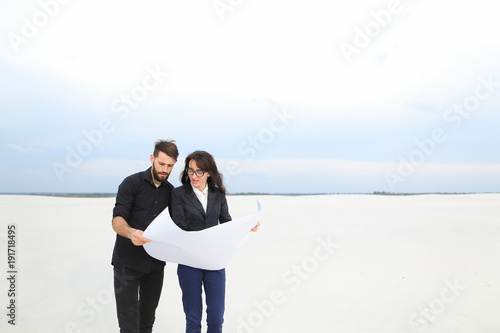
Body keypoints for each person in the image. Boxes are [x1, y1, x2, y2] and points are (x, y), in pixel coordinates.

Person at [169, 150, 259, 333]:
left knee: (216, 319)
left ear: (209, 173)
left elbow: (226, 224)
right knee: (193, 319)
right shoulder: (178, 194)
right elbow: (180, 228)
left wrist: (247, 227)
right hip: (189, 262)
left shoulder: (218, 194)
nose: (194, 176)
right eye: (190, 170)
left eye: (199, 171)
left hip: (215, 262)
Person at [111, 139, 179, 333]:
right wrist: (131, 232)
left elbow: (181, 226)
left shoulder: (172, 193)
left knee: (147, 321)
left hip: (155, 265)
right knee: (129, 324)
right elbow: (117, 220)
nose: (165, 169)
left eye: (170, 166)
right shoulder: (131, 183)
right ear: (152, 158)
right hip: (127, 262)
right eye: (161, 163)